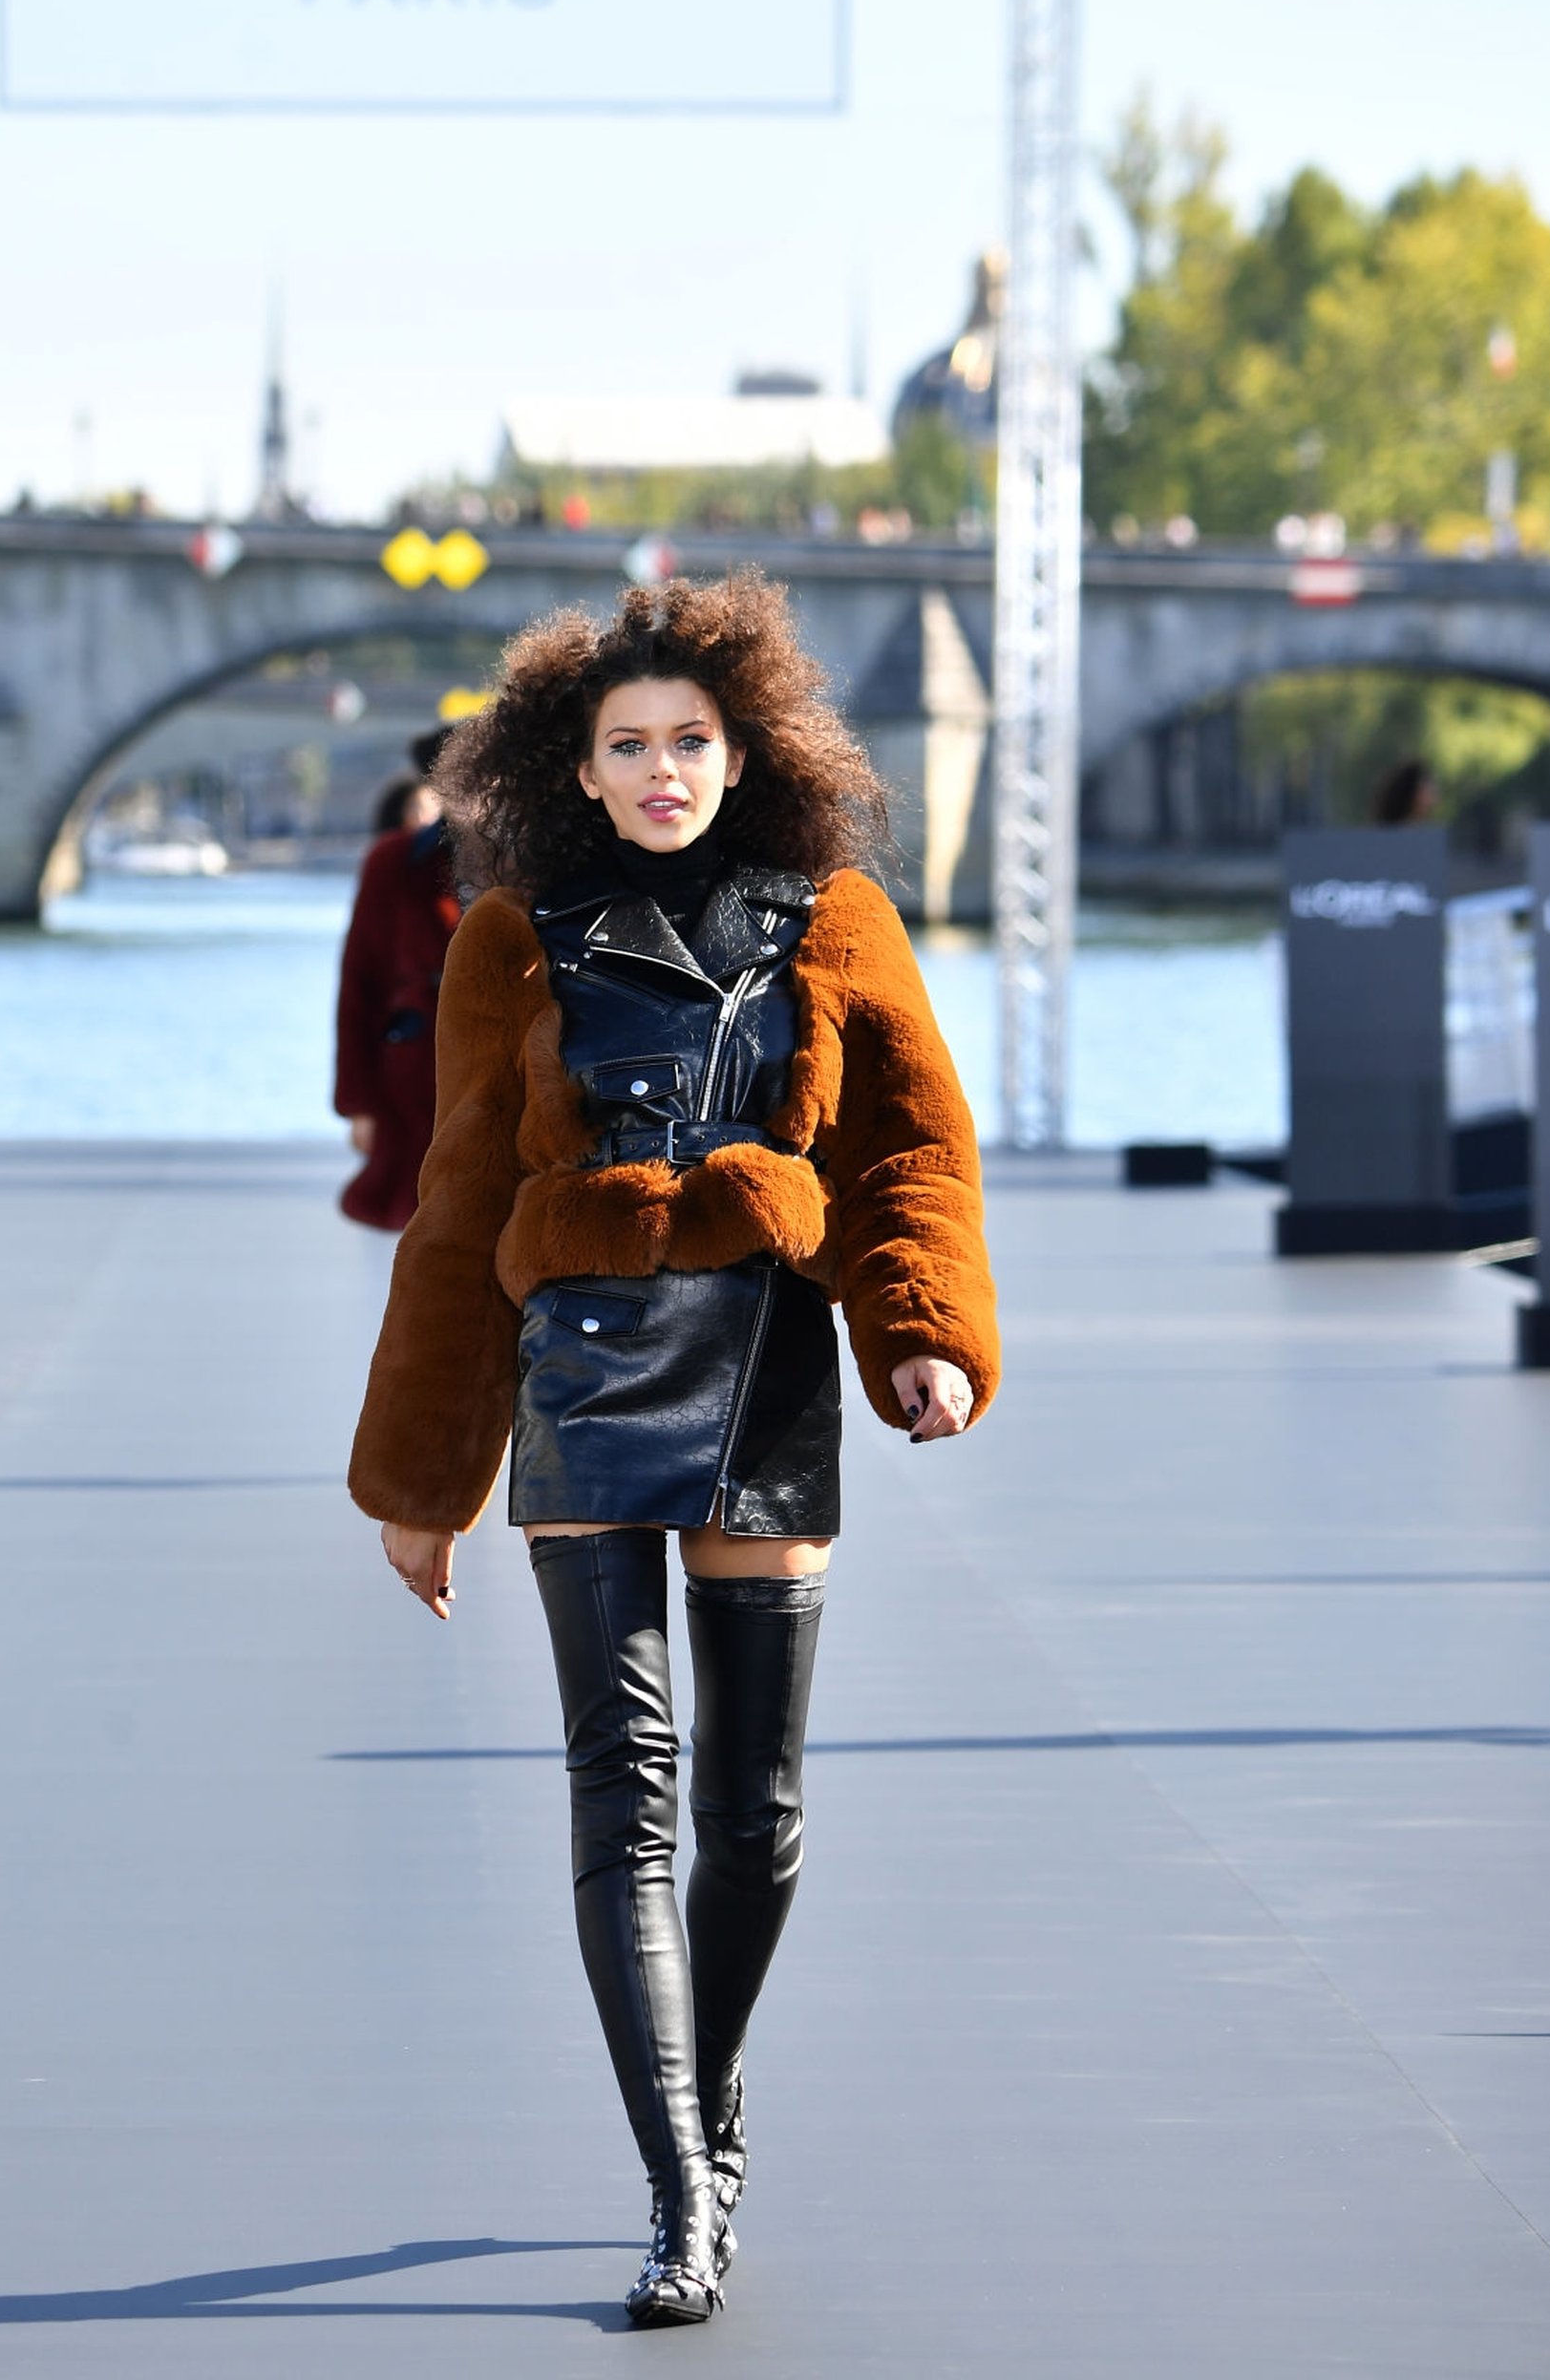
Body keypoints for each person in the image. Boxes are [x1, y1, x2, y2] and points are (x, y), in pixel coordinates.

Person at [347, 577, 999, 2327]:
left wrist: (922, 1337)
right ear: (574, 764)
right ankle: (682, 2191)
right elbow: (459, 1203)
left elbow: (912, 1150)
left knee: (755, 1817)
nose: (658, 772)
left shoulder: (836, 917)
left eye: (686, 742)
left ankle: (703, 2106)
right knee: (621, 1792)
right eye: (625, 745)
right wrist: (429, 1480)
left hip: (768, 1365)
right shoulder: (515, 936)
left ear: (743, 747)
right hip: (580, 1377)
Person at [332, 726, 460, 1231]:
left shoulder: (528, 860)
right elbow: (358, 984)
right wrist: (358, 1105)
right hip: (413, 1080)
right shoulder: (393, 861)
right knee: (424, 1241)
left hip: (508, 1083)